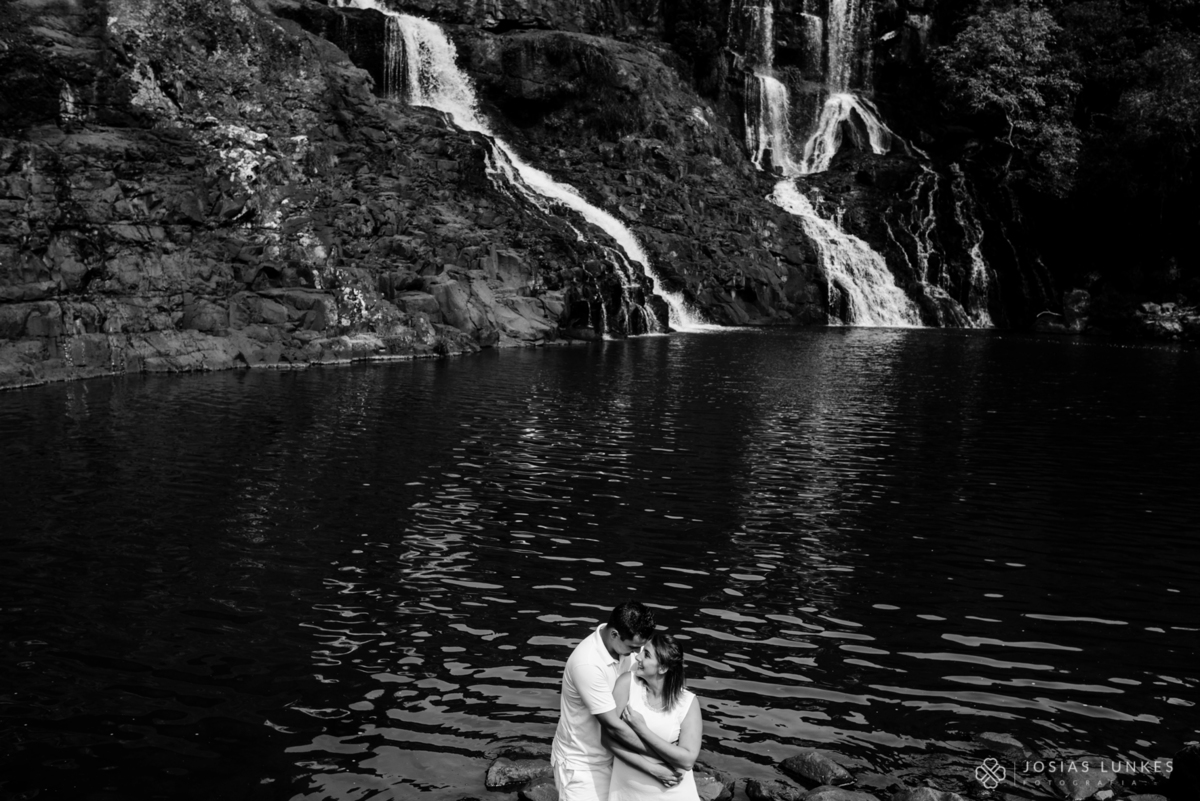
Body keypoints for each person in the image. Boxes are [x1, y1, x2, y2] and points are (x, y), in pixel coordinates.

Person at [552, 601, 662, 801]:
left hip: (615, 757)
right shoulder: (587, 664)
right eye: (633, 647)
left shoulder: (624, 651)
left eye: (641, 648)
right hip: (582, 765)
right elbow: (612, 725)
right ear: (614, 635)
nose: (637, 655)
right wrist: (660, 755)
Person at [605, 632, 702, 800]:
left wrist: (642, 729)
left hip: (674, 795)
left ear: (663, 668)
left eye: (646, 655)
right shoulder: (627, 683)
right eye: (642, 651)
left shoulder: (688, 702)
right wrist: (654, 769)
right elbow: (606, 739)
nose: (638, 657)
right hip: (627, 794)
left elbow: (687, 760)